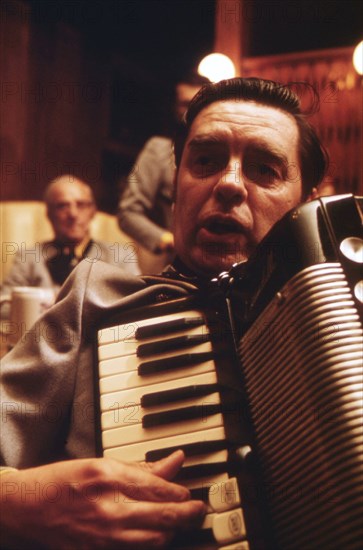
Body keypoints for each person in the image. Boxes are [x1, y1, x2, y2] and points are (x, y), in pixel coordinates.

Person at [0, 78, 328, 548]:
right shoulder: (98, 300)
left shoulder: (339, 332)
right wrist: (17, 502)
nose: (229, 183)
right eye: (206, 162)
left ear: (307, 207)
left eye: (263, 169)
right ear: (177, 186)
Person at [117, 77, 209, 274]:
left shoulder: (223, 154)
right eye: (185, 104)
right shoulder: (158, 149)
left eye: (198, 104)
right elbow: (128, 213)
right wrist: (169, 241)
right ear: (175, 108)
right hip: (172, 267)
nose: (191, 110)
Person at [1, 174, 140, 300]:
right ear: (49, 214)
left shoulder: (121, 256)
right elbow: (5, 305)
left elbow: (135, 302)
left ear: (92, 211)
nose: (73, 214)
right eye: (62, 206)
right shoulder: (28, 257)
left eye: (81, 205)